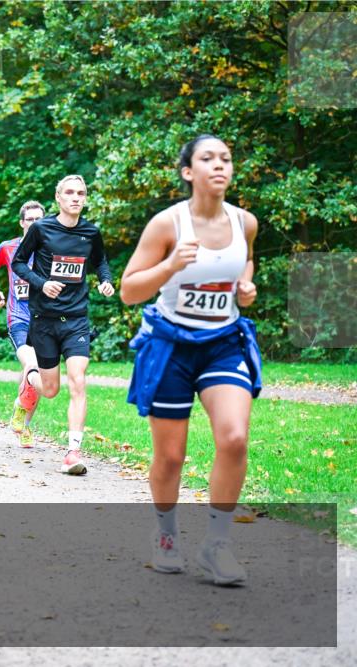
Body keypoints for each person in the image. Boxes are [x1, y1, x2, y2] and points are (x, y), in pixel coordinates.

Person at [120, 135, 260, 585]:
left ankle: (217, 545)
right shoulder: (167, 224)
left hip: (223, 341)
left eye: (226, 158)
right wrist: (169, 267)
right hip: (170, 347)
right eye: (208, 159)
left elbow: (245, 261)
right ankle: (166, 535)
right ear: (188, 172)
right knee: (171, 457)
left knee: (235, 438)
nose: (220, 165)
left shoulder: (245, 222)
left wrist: (245, 285)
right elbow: (129, 290)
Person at [11, 175, 115, 475]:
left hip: (77, 319)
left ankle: (73, 452)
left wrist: (106, 281)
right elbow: (19, 263)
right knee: (52, 389)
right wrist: (42, 284)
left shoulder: (90, 232)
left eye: (81, 193)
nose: (75, 197)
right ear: (58, 198)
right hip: (44, 320)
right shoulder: (42, 229)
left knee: (78, 380)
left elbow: (101, 262)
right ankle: (29, 380)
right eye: (69, 192)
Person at [0, 200, 45, 447]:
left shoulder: (50, 250)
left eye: (38, 219)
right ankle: (20, 407)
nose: (34, 223)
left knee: (36, 374)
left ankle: (25, 423)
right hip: (18, 318)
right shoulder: (8, 248)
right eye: (29, 219)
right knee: (32, 367)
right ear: (22, 223)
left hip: (43, 321)